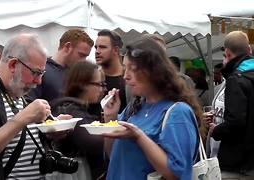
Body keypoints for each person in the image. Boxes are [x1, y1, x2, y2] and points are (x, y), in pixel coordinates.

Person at [0, 34, 67, 179]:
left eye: (42, 73)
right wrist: (23, 118)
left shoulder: (19, 92)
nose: (39, 81)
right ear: (13, 65)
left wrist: (50, 131)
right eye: (36, 72)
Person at [102, 37, 202, 179]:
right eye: (125, 68)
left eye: (132, 69)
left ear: (153, 71)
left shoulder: (178, 112)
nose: (125, 76)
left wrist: (139, 136)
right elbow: (113, 155)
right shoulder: (134, 107)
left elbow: (176, 174)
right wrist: (110, 118)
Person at [207, 31, 254, 179]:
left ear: (227, 53)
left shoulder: (236, 79)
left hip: (237, 163)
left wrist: (216, 130)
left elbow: (236, 122)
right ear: (249, 51)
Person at [50, 61, 107, 180]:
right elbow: (95, 144)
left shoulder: (78, 107)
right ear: (82, 85)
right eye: (98, 84)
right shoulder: (71, 110)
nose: (102, 89)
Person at [27, 28, 94, 103]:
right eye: (81, 55)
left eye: (86, 56)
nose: (83, 61)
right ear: (68, 47)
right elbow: (30, 106)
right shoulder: (41, 71)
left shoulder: (75, 76)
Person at [95, 29, 127, 113]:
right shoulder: (92, 77)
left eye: (102, 47)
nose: (97, 51)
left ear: (116, 50)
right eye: (96, 47)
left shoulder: (129, 77)